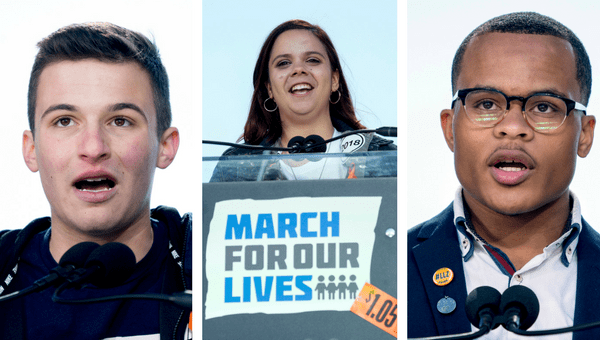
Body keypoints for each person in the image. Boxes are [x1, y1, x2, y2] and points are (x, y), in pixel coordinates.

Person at [407, 12, 600, 339]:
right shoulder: (391, 266)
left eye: (544, 107)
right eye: (485, 104)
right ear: (449, 129)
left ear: (584, 135)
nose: (513, 127)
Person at [0, 23, 192, 340]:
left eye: (120, 121)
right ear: (31, 150)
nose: (93, 148)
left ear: (166, 146)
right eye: (64, 121)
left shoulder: (212, 257)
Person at [209, 19, 396, 182]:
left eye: (313, 60)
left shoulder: (382, 156)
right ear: (269, 88)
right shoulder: (235, 166)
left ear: (334, 80)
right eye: (283, 63)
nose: (298, 69)